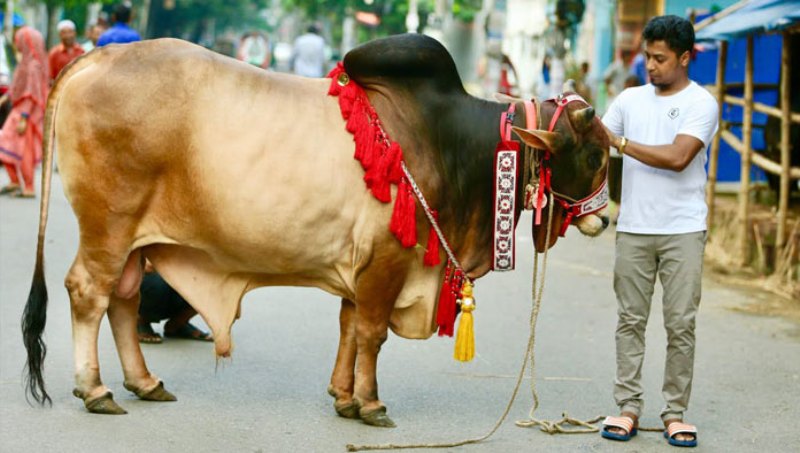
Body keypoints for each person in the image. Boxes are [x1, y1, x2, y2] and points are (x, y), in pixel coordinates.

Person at [600, 15, 718, 448]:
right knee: (629, 321)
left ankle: (674, 413)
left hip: (683, 230)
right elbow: (597, 142)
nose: (650, 66)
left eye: (660, 58)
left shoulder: (701, 104)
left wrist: (623, 145)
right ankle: (628, 406)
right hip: (632, 227)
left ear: (685, 58)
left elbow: (678, 157)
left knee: (680, 324)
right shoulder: (629, 100)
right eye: (647, 57)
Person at [0, 25, 48, 198]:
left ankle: (28, 187)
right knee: (7, 144)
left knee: (23, 149)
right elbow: (15, 90)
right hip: (20, 110)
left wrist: (24, 117)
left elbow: (31, 94)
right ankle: (14, 182)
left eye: (18, 38)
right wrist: (4, 100)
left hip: (25, 113)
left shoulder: (33, 65)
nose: (16, 42)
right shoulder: (26, 62)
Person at [137, 263, 212, 343]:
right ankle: (139, 321)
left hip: (173, 272)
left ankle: (176, 324)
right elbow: (148, 266)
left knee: (210, 282)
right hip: (144, 275)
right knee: (156, 282)